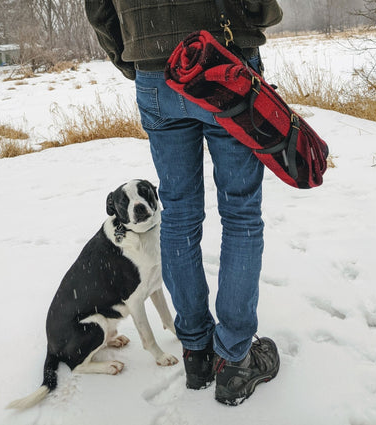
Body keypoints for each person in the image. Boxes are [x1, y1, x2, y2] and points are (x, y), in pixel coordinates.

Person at [85, 0, 283, 406]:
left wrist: (135, 55)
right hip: (224, 59)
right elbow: (260, 5)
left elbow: (99, 9)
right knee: (241, 213)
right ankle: (234, 358)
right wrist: (260, 17)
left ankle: (196, 351)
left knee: (178, 213)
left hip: (155, 68)